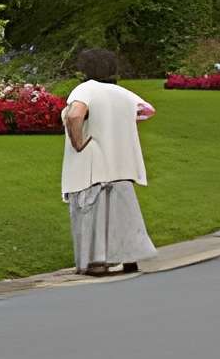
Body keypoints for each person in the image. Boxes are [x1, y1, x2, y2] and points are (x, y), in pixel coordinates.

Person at [61, 45, 156, 275]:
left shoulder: (85, 90)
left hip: (93, 163)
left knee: (93, 213)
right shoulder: (123, 93)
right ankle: (129, 258)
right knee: (123, 214)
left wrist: (78, 141)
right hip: (122, 163)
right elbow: (147, 111)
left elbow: (75, 114)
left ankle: (97, 262)